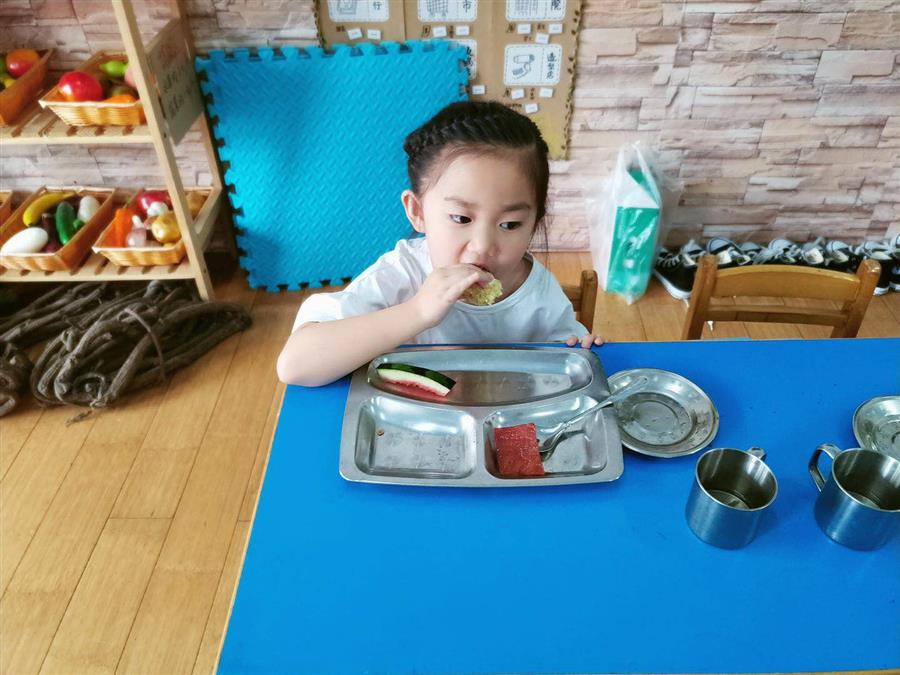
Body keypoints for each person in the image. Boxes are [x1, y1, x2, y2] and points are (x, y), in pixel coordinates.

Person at [277, 101, 603, 386]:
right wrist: (418, 310)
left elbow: (567, 356)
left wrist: (580, 347)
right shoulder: (400, 276)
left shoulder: (539, 293)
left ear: (534, 222)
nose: (482, 246)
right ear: (417, 212)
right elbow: (295, 364)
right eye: (461, 218)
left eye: (510, 224)